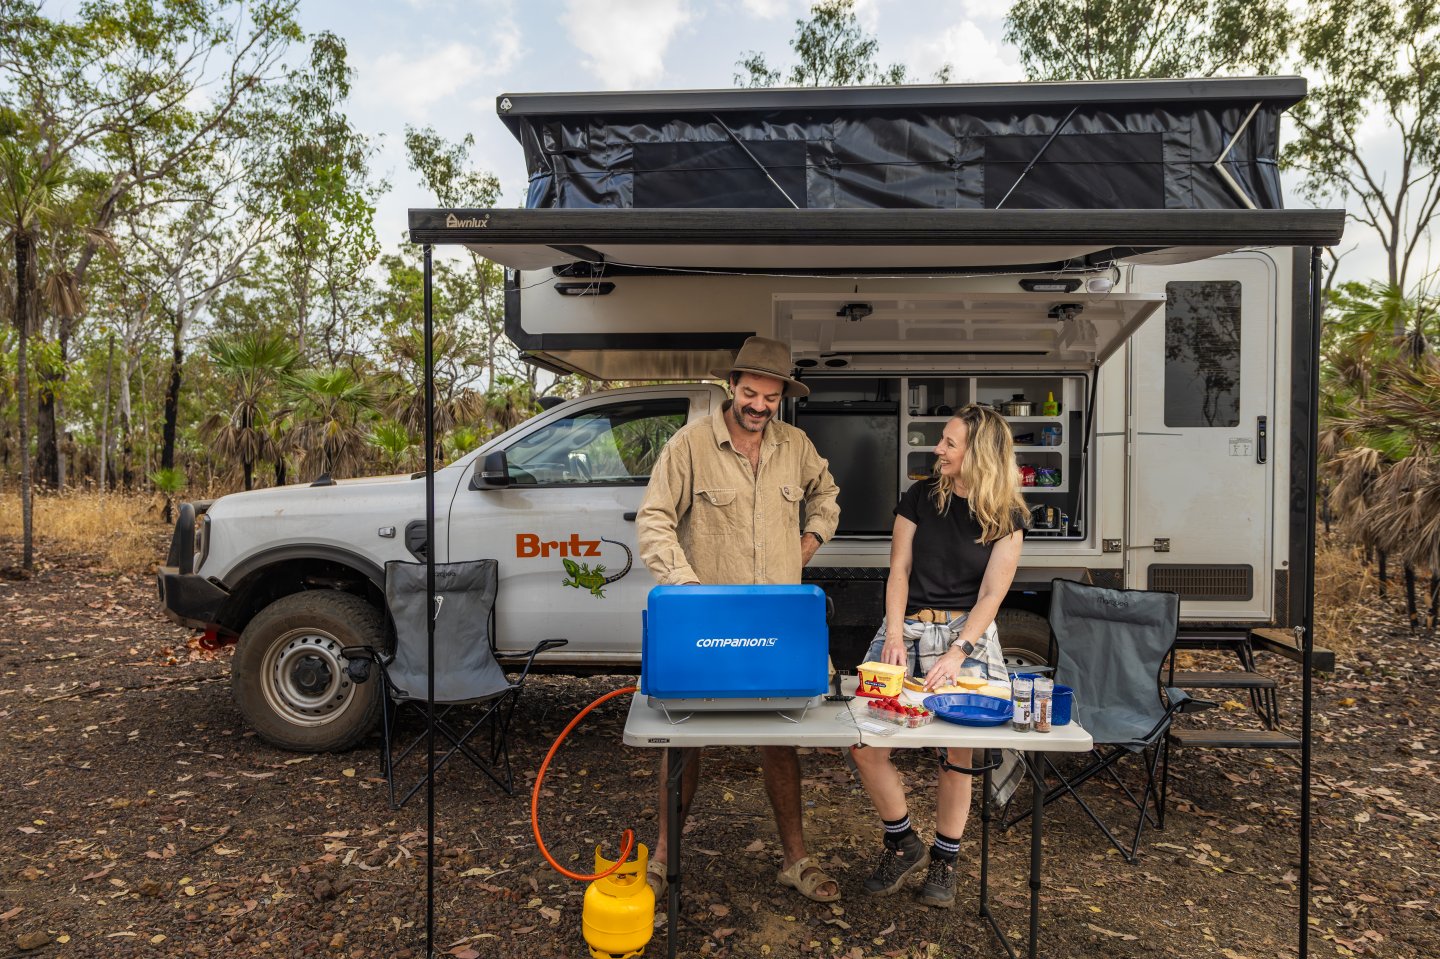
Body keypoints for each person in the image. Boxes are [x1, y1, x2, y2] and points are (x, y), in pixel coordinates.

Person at [636, 335, 842, 903]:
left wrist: (807, 543)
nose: (759, 406)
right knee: (683, 738)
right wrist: (686, 588)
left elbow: (827, 495)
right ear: (732, 386)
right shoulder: (689, 445)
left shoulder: (796, 445)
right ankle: (663, 858)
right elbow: (654, 519)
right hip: (707, 623)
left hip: (775, 623)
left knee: (781, 739)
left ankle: (796, 860)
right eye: (751, 393)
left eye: (771, 398)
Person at [849, 403, 1028, 909]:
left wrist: (957, 652)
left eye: (950, 442)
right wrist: (892, 634)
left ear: (980, 453)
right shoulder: (920, 496)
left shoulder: (1008, 514)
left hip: (966, 633)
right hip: (906, 625)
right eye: (942, 440)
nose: (938, 449)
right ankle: (902, 841)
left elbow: (992, 595)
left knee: (958, 752)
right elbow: (899, 571)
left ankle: (945, 859)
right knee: (864, 741)